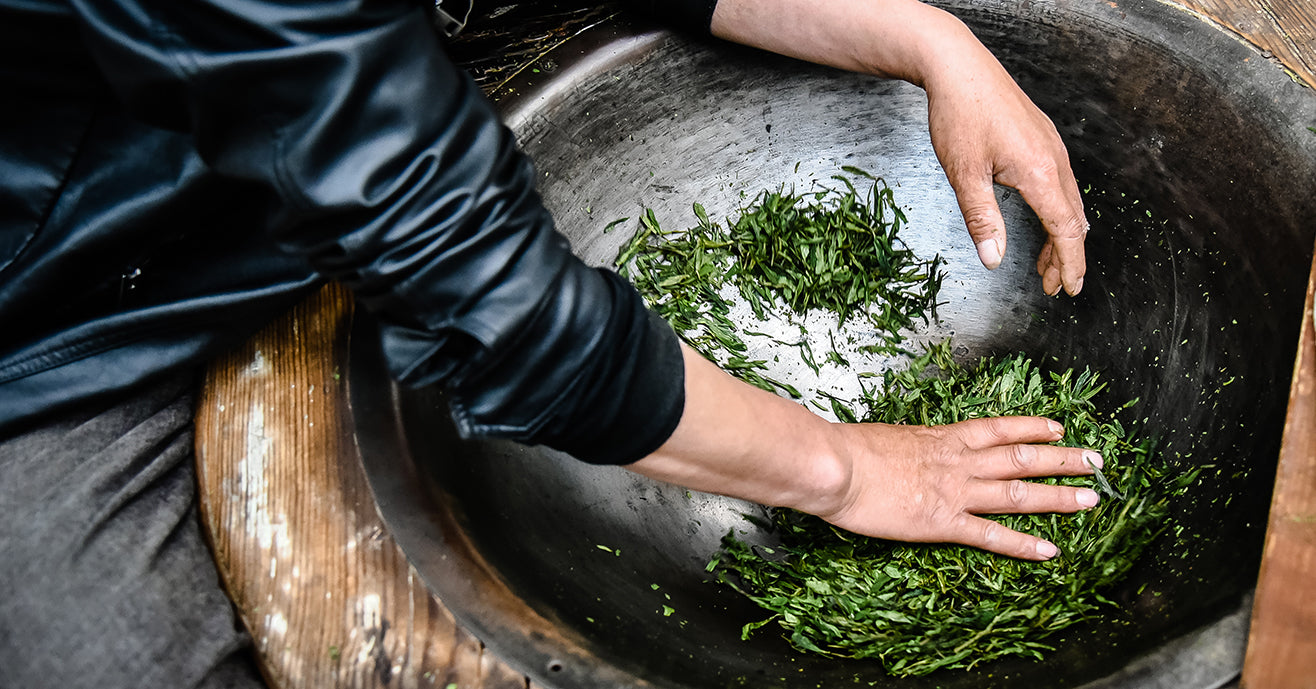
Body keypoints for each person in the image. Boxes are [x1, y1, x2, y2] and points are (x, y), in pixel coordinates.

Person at [0, 0, 1094, 686]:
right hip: (63, 309)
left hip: (280, 200)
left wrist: (918, 36)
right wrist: (845, 464)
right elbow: (503, 311)